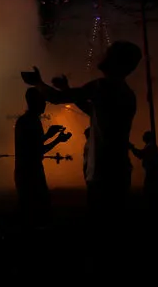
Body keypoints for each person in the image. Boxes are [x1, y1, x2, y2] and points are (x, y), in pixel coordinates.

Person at [21, 40, 142, 225]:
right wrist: (68, 90)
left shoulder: (102, 86)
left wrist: (38, 83)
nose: (103, 54)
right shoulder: (126, 93)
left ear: (116, 61)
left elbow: (56, 98)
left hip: (102, 170)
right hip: (118, 170)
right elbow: (93, 111)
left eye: (109, 53)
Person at [14, 87, 71, 227]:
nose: (45, 104)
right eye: (43, 101)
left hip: (23, 172)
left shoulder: (24, 120)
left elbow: (31, 145)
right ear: (36, 102)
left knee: (28, 214)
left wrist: (48, 135)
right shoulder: (33, 122)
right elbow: (38, 150)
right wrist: (58, 140)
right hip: (31, 173)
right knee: (39, 214)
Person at [129, 131, 158, 202]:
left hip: (152, 173)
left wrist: (132, 148)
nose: (143, 137)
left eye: (144, 136)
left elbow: (141, 154)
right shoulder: (151, 146)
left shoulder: (150, 146)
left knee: (150, 189)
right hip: (153, 172)